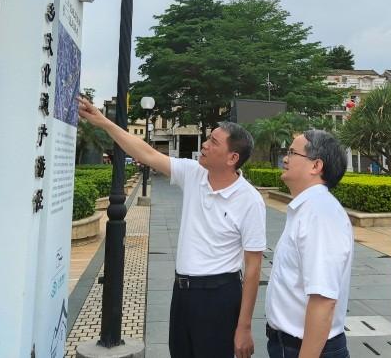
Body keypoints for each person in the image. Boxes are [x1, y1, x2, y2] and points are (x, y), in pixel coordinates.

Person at [77, 97, 266, 358]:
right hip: (183, 292)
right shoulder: (193, 174)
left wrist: (244, 326)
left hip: (219, 297)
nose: (205, 145)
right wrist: (103, 121)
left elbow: (254, 267)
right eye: (208, 138)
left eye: (213, 142)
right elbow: (146, 152)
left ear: (233, 157)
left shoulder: (250, 200)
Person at [265, 129, 353, 358]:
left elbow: (323, 301)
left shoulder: (320, 215)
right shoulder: (308, 209)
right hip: (289, 344)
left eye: (292, 152)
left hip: (305, 348)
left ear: (316, 166)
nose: (285, 158)